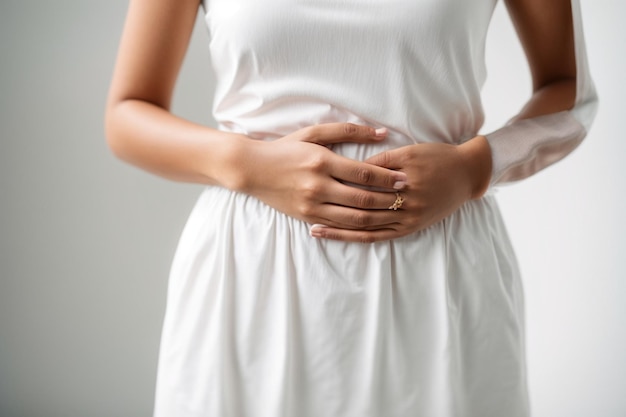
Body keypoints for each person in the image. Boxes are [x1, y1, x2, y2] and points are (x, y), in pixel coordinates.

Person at [105, 0, 597, 416]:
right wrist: (248, 163)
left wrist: (473, 169)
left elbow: (569, 93)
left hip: (438, 268)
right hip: (252, 272)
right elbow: (127, 113)